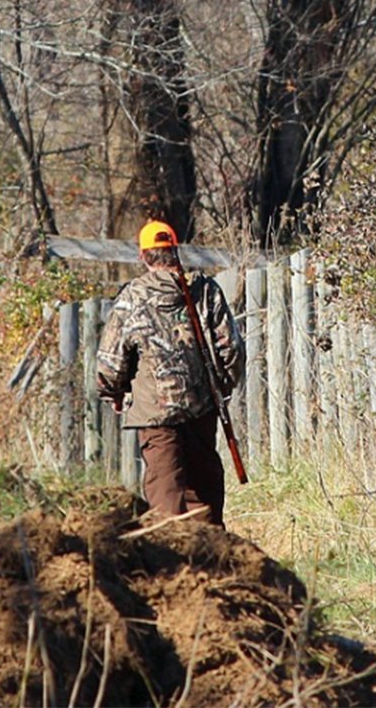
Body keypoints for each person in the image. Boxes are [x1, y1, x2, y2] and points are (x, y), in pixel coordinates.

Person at [96, 220, 245, 527]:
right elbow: (231, 348)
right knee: (203, 494)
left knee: (165, 494)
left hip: (155, 416)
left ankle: (172, 563)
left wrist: (114, 391)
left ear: (143, 256)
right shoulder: (206, 291)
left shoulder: (132, 298)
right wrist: (222, 387)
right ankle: (213, 558)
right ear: (175, 251)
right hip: (202, 408)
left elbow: (110, 361)